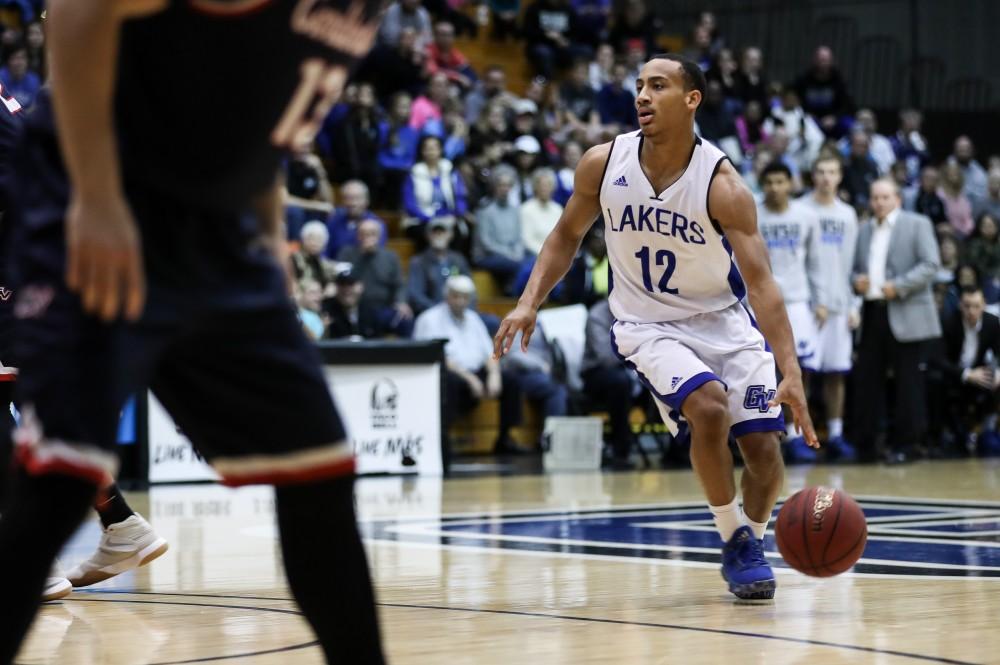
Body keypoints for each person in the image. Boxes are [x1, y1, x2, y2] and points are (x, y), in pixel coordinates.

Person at [0, 2, 387, 662]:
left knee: (320, 472)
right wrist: (96, 197)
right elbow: (74, 9)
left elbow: (254, 121)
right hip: (109, 211)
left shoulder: (361, 10)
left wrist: (271, 254)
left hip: (223, 235)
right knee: (59, 481)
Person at [494, 54, 817, 601]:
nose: (642, 95)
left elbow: (762, 286)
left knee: (764, 456)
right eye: (639, 85)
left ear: (692, 99)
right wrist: (529, 302)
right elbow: (565, 236)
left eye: (658, 86)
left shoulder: (724, 186)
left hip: (725, 323)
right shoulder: (603, 162)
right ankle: (731, 534)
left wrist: (790, 371)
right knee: (708, 406)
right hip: (648, 323)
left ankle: (749, 542)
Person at [851, 179, 941, 464]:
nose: (879, 202)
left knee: (908, 383)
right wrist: (857, 282)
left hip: (905, 311)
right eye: (875, 197)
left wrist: (899, 286)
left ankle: (908, 444)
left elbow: (931, 264)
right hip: (872, 311)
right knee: (867, 380)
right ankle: (868, 444)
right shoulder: (864, 229)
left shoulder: (918, 223)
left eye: (885, 197)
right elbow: (854, 270)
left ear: (898, 199)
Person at [755, 161, 824, 463]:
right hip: (758, 301)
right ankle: (771, 430)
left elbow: (815, 263)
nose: (774, 188)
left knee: (797, 368)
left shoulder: (807, 217)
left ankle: (797, 434)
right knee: (762, 368)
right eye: (769, 182)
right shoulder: (752, 212)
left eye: (780, 181)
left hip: (796, 300)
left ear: (790, 184)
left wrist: (820, 300)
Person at [800, 155, 859, 460]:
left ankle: (835, 435)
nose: (826, 177)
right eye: (820, 171)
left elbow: (848, 264)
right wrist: (812, 299)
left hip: (838, 303)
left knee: (837, 373)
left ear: (839, 177)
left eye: (832, 172)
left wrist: (852, 304)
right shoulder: (800, 209)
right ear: (813, 176)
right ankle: (798, 437)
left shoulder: (848, 215)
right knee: (802, 373)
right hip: (808, 305)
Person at [414, 275, 502, 469]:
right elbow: (438, 357)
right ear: (447, 296)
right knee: (451, 383)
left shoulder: (474, 318)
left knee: (511, 380)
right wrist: (470, 379)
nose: (461, 301)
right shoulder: (429, 319)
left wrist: (494, 374)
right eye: (456, 296)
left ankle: (504, 438)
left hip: (474, 372)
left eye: (465, 297)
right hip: (447, 374)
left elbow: (490, 352)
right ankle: (444, 443)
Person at [928, 286, 1000, 456]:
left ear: (984, 305)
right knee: (934, 381)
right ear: (960, 305)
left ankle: (988, 432)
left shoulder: (992, 322)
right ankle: (939, 438)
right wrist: (966, 374)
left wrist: (998, 370)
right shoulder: (948, 322)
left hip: (980, 372)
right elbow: (937, 358)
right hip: (954, 374)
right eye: (967, 306)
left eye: (976, 306)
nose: (971, 311)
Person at [581, 298, 638, 468]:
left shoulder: (640, 309)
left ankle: (677, 448)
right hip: (596, 373)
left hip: (632, 368)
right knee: (619, 382)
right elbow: (606, 357)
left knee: (664, 376)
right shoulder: (596, 315)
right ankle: (620, 450)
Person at [337, 218, 413, 338]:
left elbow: (399, 284)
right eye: (364, 234)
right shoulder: (347, 254)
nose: (367, 237)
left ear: (379, 236)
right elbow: (342, 278)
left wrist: (401, 302)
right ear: (358, 236)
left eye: (372, 234)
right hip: (355, 308)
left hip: (383, 308)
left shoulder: (390, 257)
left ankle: (406, 356)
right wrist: (362, 255)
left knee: (404, 319)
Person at [473, 167, 524, 293]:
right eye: (501, 185)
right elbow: (486, 243)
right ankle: (512, 296)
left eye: (508, 185)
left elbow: (519, 237)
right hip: (487, 257)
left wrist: (517, 253)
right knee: (518, 265)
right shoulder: (485, 211)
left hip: (511, 255)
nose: (504, 189)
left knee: (532, 262)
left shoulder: (515, 211)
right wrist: (510, 254)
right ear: (494, 187)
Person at [408, 220, 472, 315]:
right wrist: (440, 313)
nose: (439, 235)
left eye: (443, 232)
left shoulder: (459, 260)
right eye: (435, 232)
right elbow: (415, 295)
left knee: (492, 322)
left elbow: (470, 289)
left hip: (459, 312)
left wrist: (465, 310)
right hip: (430, 314)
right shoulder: (418, 261)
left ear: (451, 235)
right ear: (427, 236)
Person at [793, 46, 853, 138]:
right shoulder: (804, 79)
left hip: (833, 119)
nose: (823, 63)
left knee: (849, 124)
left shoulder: (838, 80)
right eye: (820, 60)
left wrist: (834, 118)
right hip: (810, 118)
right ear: (814, 60)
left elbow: (846, 104)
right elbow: (796, 100)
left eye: (826, 60)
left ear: (831, 61)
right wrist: (807, 113)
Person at [324, 180, 388, 260]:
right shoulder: (334, 220)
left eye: (357, 198)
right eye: (348, 198)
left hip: (363, 268)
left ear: (366, 201)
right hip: (334, 268)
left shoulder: (376, 224)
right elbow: (325, 249)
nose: (352, 203)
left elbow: (377, 254)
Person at [325, 270, 380, 339]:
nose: (346, 289)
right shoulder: (327, 311)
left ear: (360, 287)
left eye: (350, 284)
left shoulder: (371, 311)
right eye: (342, 284)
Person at [951, 135, 988, 202]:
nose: (964, 152)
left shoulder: (978, 171)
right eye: (961, 149)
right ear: (955, 150)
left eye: (967, 149)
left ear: (972, 151)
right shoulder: (947, 168)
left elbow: (984, 194)